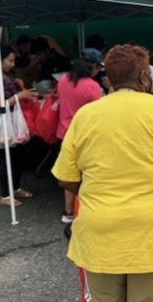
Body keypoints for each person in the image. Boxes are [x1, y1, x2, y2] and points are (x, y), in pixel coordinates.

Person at [52, 44, 153, 302]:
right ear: (144, 78)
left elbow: (65, 177)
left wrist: (96, 189)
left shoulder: (86, 115)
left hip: (100, 234)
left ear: (108, 78)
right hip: (152, 235)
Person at [0, 45, 38, 206]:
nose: (13, 64)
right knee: (6, 159)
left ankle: (15, 187)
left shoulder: (7, 75)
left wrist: (20, 88)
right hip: (1, 124)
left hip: (14, 121)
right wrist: (19, 96)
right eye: (10, 60)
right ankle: (5, 195)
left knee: (18, 157)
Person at [55, 48, 103, 223]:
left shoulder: (62, 81)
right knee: (87, 175)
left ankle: (68, 213)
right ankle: (84, 212)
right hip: (85, 136)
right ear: (94, 67)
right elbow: (99, 114)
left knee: (69, 175)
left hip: (64, 133)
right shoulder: (92, 86)